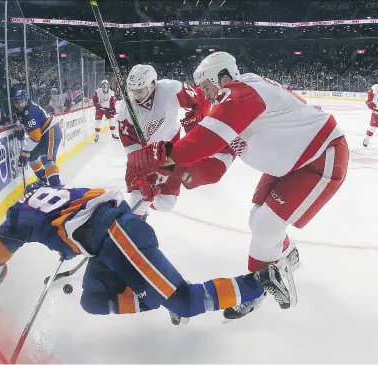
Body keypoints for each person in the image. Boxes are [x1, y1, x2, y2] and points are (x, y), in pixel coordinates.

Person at [125, 51, 349, 316]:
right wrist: (173, 173)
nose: (205, 95)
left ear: (223, 77)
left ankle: (256, 289)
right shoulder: (232, 110)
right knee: (259, 220)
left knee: (267, 224)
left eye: (207, 87)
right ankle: (285, 254)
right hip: (292, 163)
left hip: (320, 156)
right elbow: (213, 167)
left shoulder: (243, 90)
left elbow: (204, 140)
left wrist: (161, 154)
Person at [0, 182, 295, 323]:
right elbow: (99, 200)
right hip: (109, 243)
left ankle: (263, 279)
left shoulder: (17, 216)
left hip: (119, 239)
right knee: (93, 301)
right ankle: (158, 296)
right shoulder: (55, 194)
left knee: (185, 302)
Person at [118, 64, 235, 218]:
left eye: (141, 90)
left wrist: (197, 115)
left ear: (152, 84)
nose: (137, 95)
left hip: (172, 151)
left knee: (166, 204)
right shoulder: (124, 114)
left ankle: (149, 203)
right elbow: (133, 154)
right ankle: (135, 221)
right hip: (146, 155)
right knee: (138, 200)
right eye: (133, 91)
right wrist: (142, 179)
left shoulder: (171, 89)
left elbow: (200, 97)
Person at [14, 90, 62, 186]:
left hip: (51, 130)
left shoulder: (30, 112)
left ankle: (57, 187)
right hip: (43, 133)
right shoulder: (23, 110)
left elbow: (35, 137)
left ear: (27, 101)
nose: (19, 105)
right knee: (32, 157)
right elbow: (24, 122)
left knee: (48, 161)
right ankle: (43, 180)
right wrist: (20, 127)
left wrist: (24, 153)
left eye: (21, 102)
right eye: (17, 102)